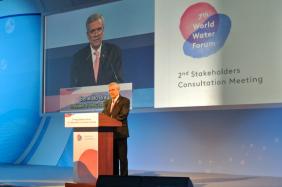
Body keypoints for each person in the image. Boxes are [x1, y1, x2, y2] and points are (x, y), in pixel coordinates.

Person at [71, 13, 123, 87]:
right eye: (92, 31)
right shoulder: (78, 58)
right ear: (87, 35)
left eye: (99, 29)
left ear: (103, 31)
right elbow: (73, 88)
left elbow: (119, 81)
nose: (96, 34)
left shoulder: (114, 52)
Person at [102, 82, 130, 176]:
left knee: (122, 158)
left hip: (120, 133)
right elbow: (103, 116)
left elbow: (123, 115)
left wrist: (110, 121)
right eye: (109, 90)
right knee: (112, 158)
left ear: (118, 90)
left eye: (113, 90)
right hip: (109, 134)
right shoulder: (107, 102)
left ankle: (124, 179)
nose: (111, 92)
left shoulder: (125, 101)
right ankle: (114, 178)